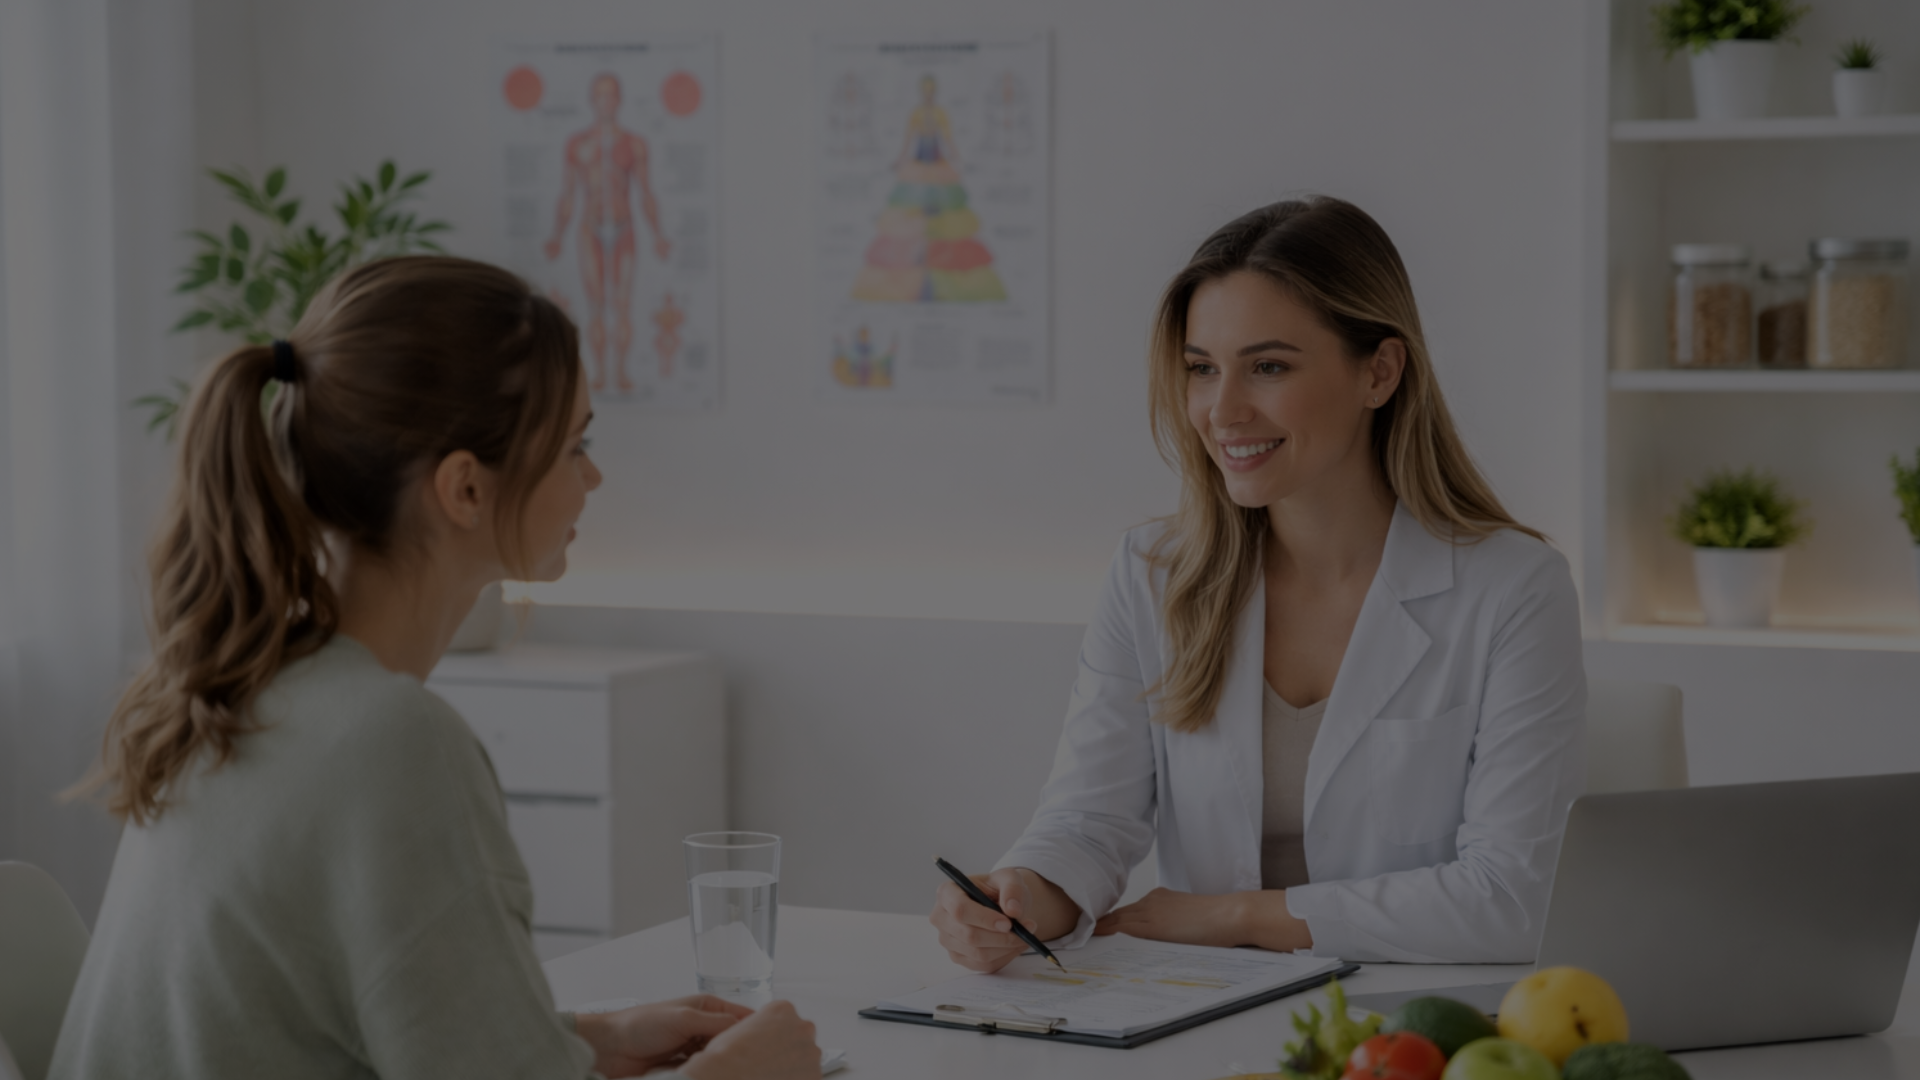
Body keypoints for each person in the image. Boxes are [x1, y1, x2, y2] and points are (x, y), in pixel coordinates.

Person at [52, 257, 820, 1079]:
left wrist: (582, 1038)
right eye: (574, 445)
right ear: (464, 489)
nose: (592, 476)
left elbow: (309, 1018)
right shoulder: (391, 742)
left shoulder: (240, 687)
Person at [930, 197, 1585, 968]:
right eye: (1202, 370)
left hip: (1407, 1028)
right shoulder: (1153, 575)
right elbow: (1087, 821)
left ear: (1379, 371)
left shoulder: (1514, 590)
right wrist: (1021, 896)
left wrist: (1236, 916)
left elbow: (1509, 900)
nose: (1222, 410)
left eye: (1268, 367)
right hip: (1202, 1018)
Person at [544, 72, 672, 396]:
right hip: (591, 229)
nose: (606, 101)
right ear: (592, 100)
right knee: (597, 304)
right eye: (600, 95)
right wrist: (557, 235)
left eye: (611, 95)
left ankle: (620, 371)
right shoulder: (577, 144)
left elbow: (646, 193)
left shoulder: (634, 144)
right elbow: (569, 194)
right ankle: (601, 373)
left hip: (624, 227)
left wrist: (658, 234)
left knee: (623, 304)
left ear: (619, 100)